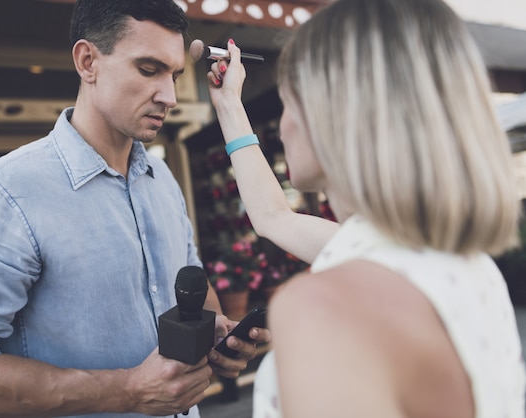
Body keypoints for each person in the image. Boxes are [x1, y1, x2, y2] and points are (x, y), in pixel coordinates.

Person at [0, 1, 270, 417]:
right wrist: (128, 391)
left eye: (174, 75)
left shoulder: (163, 179)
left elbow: (189, 279)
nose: (169, 97)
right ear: (87, 62)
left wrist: (216, 330)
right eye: (148, 69)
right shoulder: (11, 191)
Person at [206, 0, 525, 417]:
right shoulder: (461, 265)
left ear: (328, 115)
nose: (283, 126)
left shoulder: (325, 307)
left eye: (287, 102)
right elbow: (273, 218)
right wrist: (230, 106)